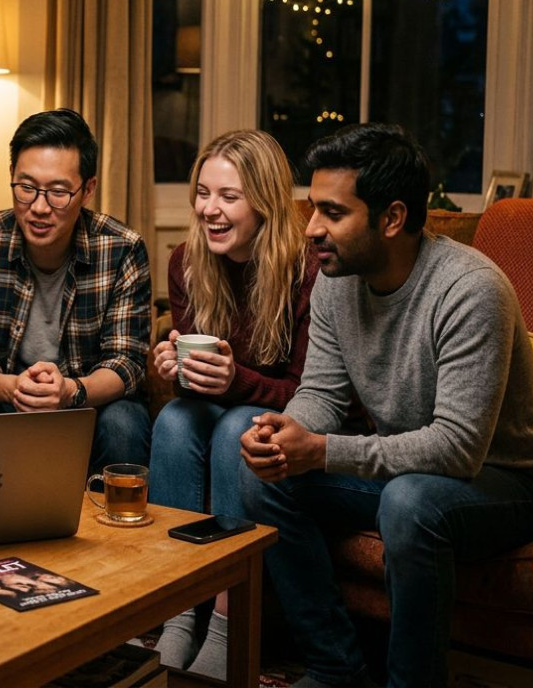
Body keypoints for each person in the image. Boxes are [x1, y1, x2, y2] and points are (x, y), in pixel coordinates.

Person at [239, 124, 533, 688]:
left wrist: (320, 450)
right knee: (263, 477)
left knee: (410, 502)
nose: (312, 229)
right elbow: (320, 392)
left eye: (333, 213)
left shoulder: (469, 289)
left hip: (510, 482)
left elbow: (458, 448)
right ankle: (335, 666)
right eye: (313, 208)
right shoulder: (335, 279)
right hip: (407, 477)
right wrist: (284, 433)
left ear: (391, 219)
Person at [148, 130, 318, 679]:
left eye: (229, 196)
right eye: (203, 193)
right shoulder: (186, 262)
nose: (209, 210)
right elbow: (194, 393)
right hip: (223, 405)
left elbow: (311, 394)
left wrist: (235, 383)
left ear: (264, 202)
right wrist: (177, 371)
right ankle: (177, 609)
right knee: (174, 419)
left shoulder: (305, 269)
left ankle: (226, 619)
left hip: (277, 420)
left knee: (234, 428)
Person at [0, 108, 152, 474]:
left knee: (124, 421)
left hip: (86, 401)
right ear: (11, 176)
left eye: (58, 193)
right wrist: (13, 388)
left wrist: (70, 391)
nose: (39, 208)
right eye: (26, 188)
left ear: (88, 189)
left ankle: (113, 531)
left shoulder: (122, 248)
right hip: (4, 395)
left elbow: (127, 361)